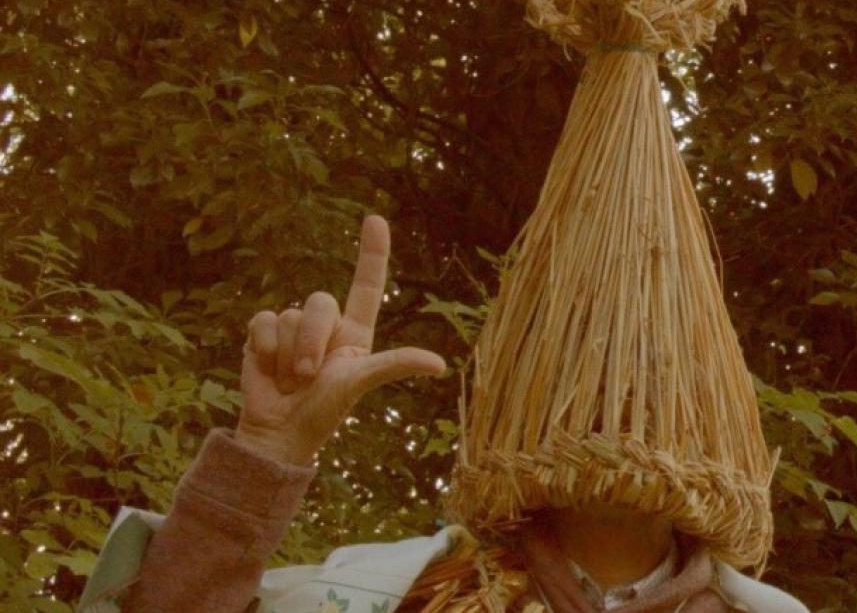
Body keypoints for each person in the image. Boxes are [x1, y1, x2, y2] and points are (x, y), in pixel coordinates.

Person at [77, 216, 808, 613]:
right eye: (586, 359)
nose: (620, 387)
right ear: (527, 394)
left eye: (654, 365)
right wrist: (267, 451)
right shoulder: (410, 596)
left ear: (714, 397)